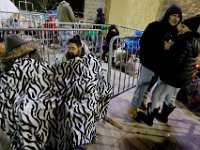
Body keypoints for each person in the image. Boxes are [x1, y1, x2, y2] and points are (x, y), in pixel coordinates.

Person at [0, 34, 112, 150]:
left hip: (60, 84)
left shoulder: (88, 60)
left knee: (83, 96)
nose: (27, 57)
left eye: (73, 48)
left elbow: (58, 72)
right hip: (44, 89)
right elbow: (50, 73)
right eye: (69, 48)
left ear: (80, 49)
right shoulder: (20, 68)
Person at [138, 15, 200, 126]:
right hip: (183, 78)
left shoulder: (183, 40)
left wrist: (167, 49)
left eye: (183, 26)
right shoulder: (196, 41)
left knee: (157, 95)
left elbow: (175, 61)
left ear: (190, 28)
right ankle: (163, 116)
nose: (180, 28)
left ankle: (149, 117)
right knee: (171, 97)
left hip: (173, 77)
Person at [128, 4, 182, 118]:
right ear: (168, 15)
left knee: (149, 86)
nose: (175, 18)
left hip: (160, 66)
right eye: (173, 15)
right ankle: (133, 107)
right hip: (149, 63)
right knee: (142, 85)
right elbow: (144, 42)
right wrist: (162, 47)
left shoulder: (175, 32)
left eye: (178, 16)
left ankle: (141, 103)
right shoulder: (155, 26)